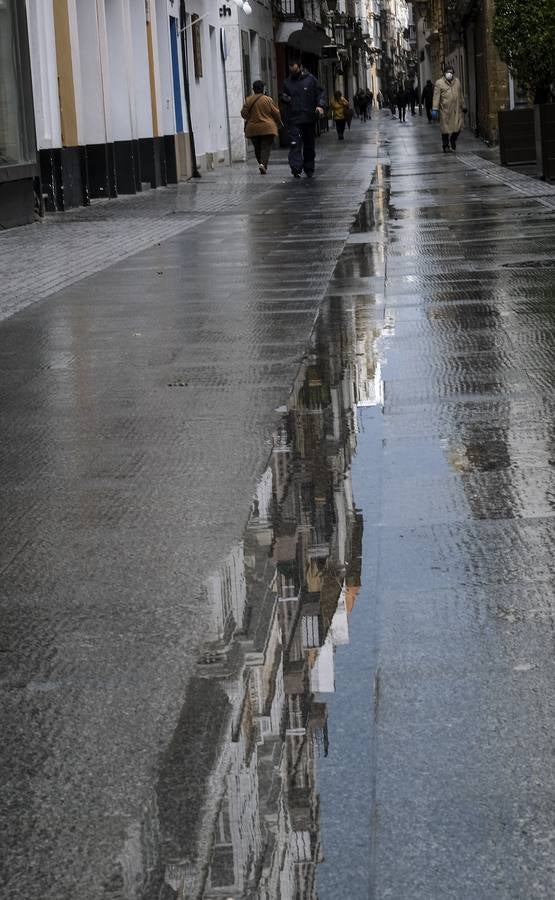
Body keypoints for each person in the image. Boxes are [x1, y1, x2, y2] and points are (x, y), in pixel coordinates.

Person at [280, 61, 326, 178]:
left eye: (294, 69)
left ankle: (309, 168)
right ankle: (296, 168)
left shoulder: (310, 80)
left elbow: (320, 93)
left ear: (300, 67)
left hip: (309, 118)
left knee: (309, 145)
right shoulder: (287, 82)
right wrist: (284, 98)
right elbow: (282, 95)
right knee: (295, 144)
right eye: (290, 69)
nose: (292, 71)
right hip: (293, 119)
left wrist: (320, 105)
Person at [241, 81, 283, 175]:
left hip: (253, 129)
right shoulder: (267, 99)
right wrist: (278, 122)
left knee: (257, 147)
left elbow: (243, 113)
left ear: (253, 89)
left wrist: (250, 118)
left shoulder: (248, 100)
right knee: (265, 147)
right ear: (263, 89)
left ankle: (261, 163)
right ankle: (263, 164)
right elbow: (276, 113)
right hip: (267, 128)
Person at [432, 65, 467, 152]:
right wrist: (435, 108)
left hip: (456, 110)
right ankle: (445, 145)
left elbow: (461, 95)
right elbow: (436, 96)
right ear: (444, 73)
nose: (449, 74)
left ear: (453, 73)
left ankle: (453, 140)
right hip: (445, 110)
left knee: (458, 127)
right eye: (447, 72)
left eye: (451, 72)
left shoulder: (457, 81)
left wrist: (464, 105)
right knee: (445, 129)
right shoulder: (439, 83)